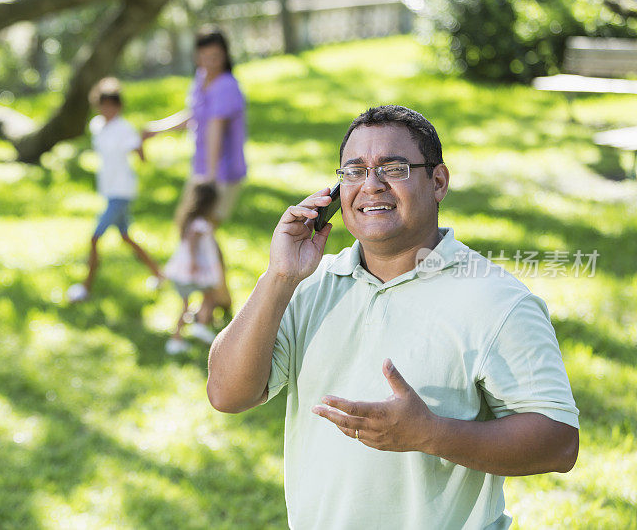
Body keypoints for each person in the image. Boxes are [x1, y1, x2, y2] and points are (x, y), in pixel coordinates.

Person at [207, 105, 579, 529]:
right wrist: (279, 275)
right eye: (354, 171)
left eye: (394, 168)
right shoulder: (310, 286)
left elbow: (559, 443)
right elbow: (227, 393)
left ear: (438, 182)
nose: (371, 185)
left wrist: (430, 433)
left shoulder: (498, 300)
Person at [142, 28, 247, 322]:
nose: (210, 61)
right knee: (193, 232)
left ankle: (212, 302)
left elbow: (215, 130)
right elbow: (195, 118)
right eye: (204, 55)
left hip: (220, 176)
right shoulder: (202, 80)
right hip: (203, 171)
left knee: (200, 234)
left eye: (216, 55)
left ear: (225, 55)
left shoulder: (226, 86)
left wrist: (209, 181)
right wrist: (156, 130)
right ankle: (219, 297)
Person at [67, 77, 163, 303]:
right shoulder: (97, 126)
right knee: (125, 237)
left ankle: (85, 287)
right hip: (109, 190)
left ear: (118, 106)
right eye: (103, 105)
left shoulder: (125, 129)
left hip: (122, 192)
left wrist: (141, 143)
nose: (107, 110)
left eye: (112, 105)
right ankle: (159, 273)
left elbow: (140, 155)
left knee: (94, 237)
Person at [163, 182, 222, 354]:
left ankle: (187, 333)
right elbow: (192, 242)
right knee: (206, 297)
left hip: (183, 270)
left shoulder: (189, 220)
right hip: (192, 270)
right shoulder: (200, 223)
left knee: (196, 301)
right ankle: (192, 330)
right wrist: (194, 262)